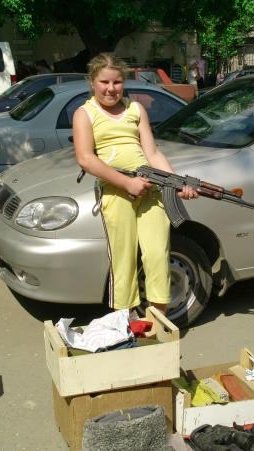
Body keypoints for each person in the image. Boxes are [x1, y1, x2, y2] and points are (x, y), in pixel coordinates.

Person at [73, 53, 198, 316]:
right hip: (117, 193)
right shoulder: (85, 113)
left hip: (151, 191)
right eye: (104, 82)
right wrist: (126, 183)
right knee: (123, 260)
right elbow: (86, 159)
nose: (111, 88)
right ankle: (126, 324)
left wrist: (177, 183)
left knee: (157, 256)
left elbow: (152, 154)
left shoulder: (135, 109)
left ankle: (158, 325)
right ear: (93, 82)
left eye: (117, 82)